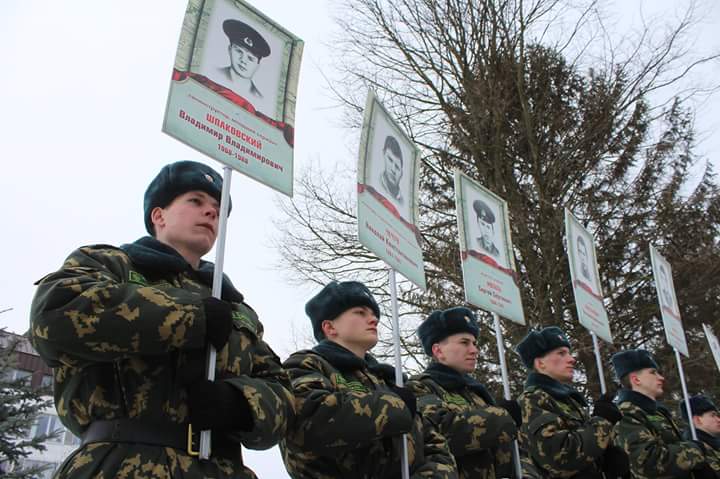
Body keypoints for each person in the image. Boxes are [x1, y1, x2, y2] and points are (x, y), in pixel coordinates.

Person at [29, 161, 295, 478]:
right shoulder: (112, 265)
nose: (211, 212)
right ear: (159, 215)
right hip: (122, 464)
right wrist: (191, 316)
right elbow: (54, 314)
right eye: (195, 200)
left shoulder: (236, 307)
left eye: (218, 209)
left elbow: (282, 394)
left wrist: (239, 404)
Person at [280, 281, 458, 478]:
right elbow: (309, 419)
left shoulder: (390, 382)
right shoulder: (305, 365)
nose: (373, 319)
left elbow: (435, 446)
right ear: (329, 327)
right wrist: (395, 405)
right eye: (360, 312)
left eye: (374, 314)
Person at [406, 307, 519, 478]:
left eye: (474, 343)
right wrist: (503, 417)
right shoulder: (420, 387)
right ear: (438, 351)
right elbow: (442, 432)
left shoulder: (478, 395)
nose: (474, 350)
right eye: (464, 342)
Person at [515, 327, 629, 478]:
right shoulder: (533, 399)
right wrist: (602, 422)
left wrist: (604, 458)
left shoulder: (568, 401)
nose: (572, 359)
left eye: (569, 353)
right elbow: (559, 456)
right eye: (561, 353)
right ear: (540, 363)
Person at [612, 349, 715, 479]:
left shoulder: (657, 413)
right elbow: (647, 462)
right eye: (653, 372)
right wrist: (696, 450)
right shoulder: (625, 413)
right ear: (636, 379)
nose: (661, 377)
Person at [219, 19, 271, 100]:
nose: (243, 60)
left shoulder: (258, 97)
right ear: (230, 49)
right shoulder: (215, 75)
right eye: (239, 51)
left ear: (257, 65)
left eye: (250, 58)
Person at [681, 394, 720, 474]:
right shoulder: (691, 451)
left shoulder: (713, 444)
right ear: (697, 420)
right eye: (713, 415)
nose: (718, 419)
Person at [378, 134, 405, 205]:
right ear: (383, 154)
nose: (393, 170)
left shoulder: (402, 202)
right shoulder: (375, 185)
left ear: (402, 173)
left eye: (397, 167)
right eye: (390, 159)